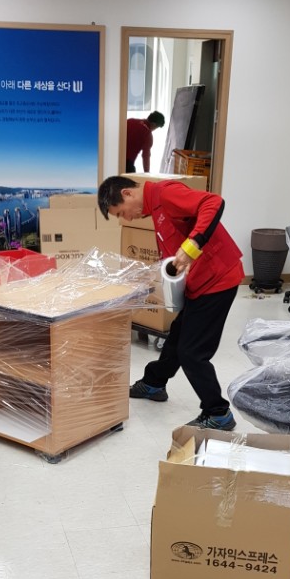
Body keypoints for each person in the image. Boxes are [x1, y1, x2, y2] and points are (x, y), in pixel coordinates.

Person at [97, 175, 244, 430]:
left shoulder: (165, 193)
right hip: (200, 282)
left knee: (192, 352)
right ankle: (154, 383)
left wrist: (193, 245)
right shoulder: (155, 207)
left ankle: (218, 413)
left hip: (218, 280)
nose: (126, 219)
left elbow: (213, 202)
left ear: (127, 194)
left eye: (121, 213)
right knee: (177, 335)